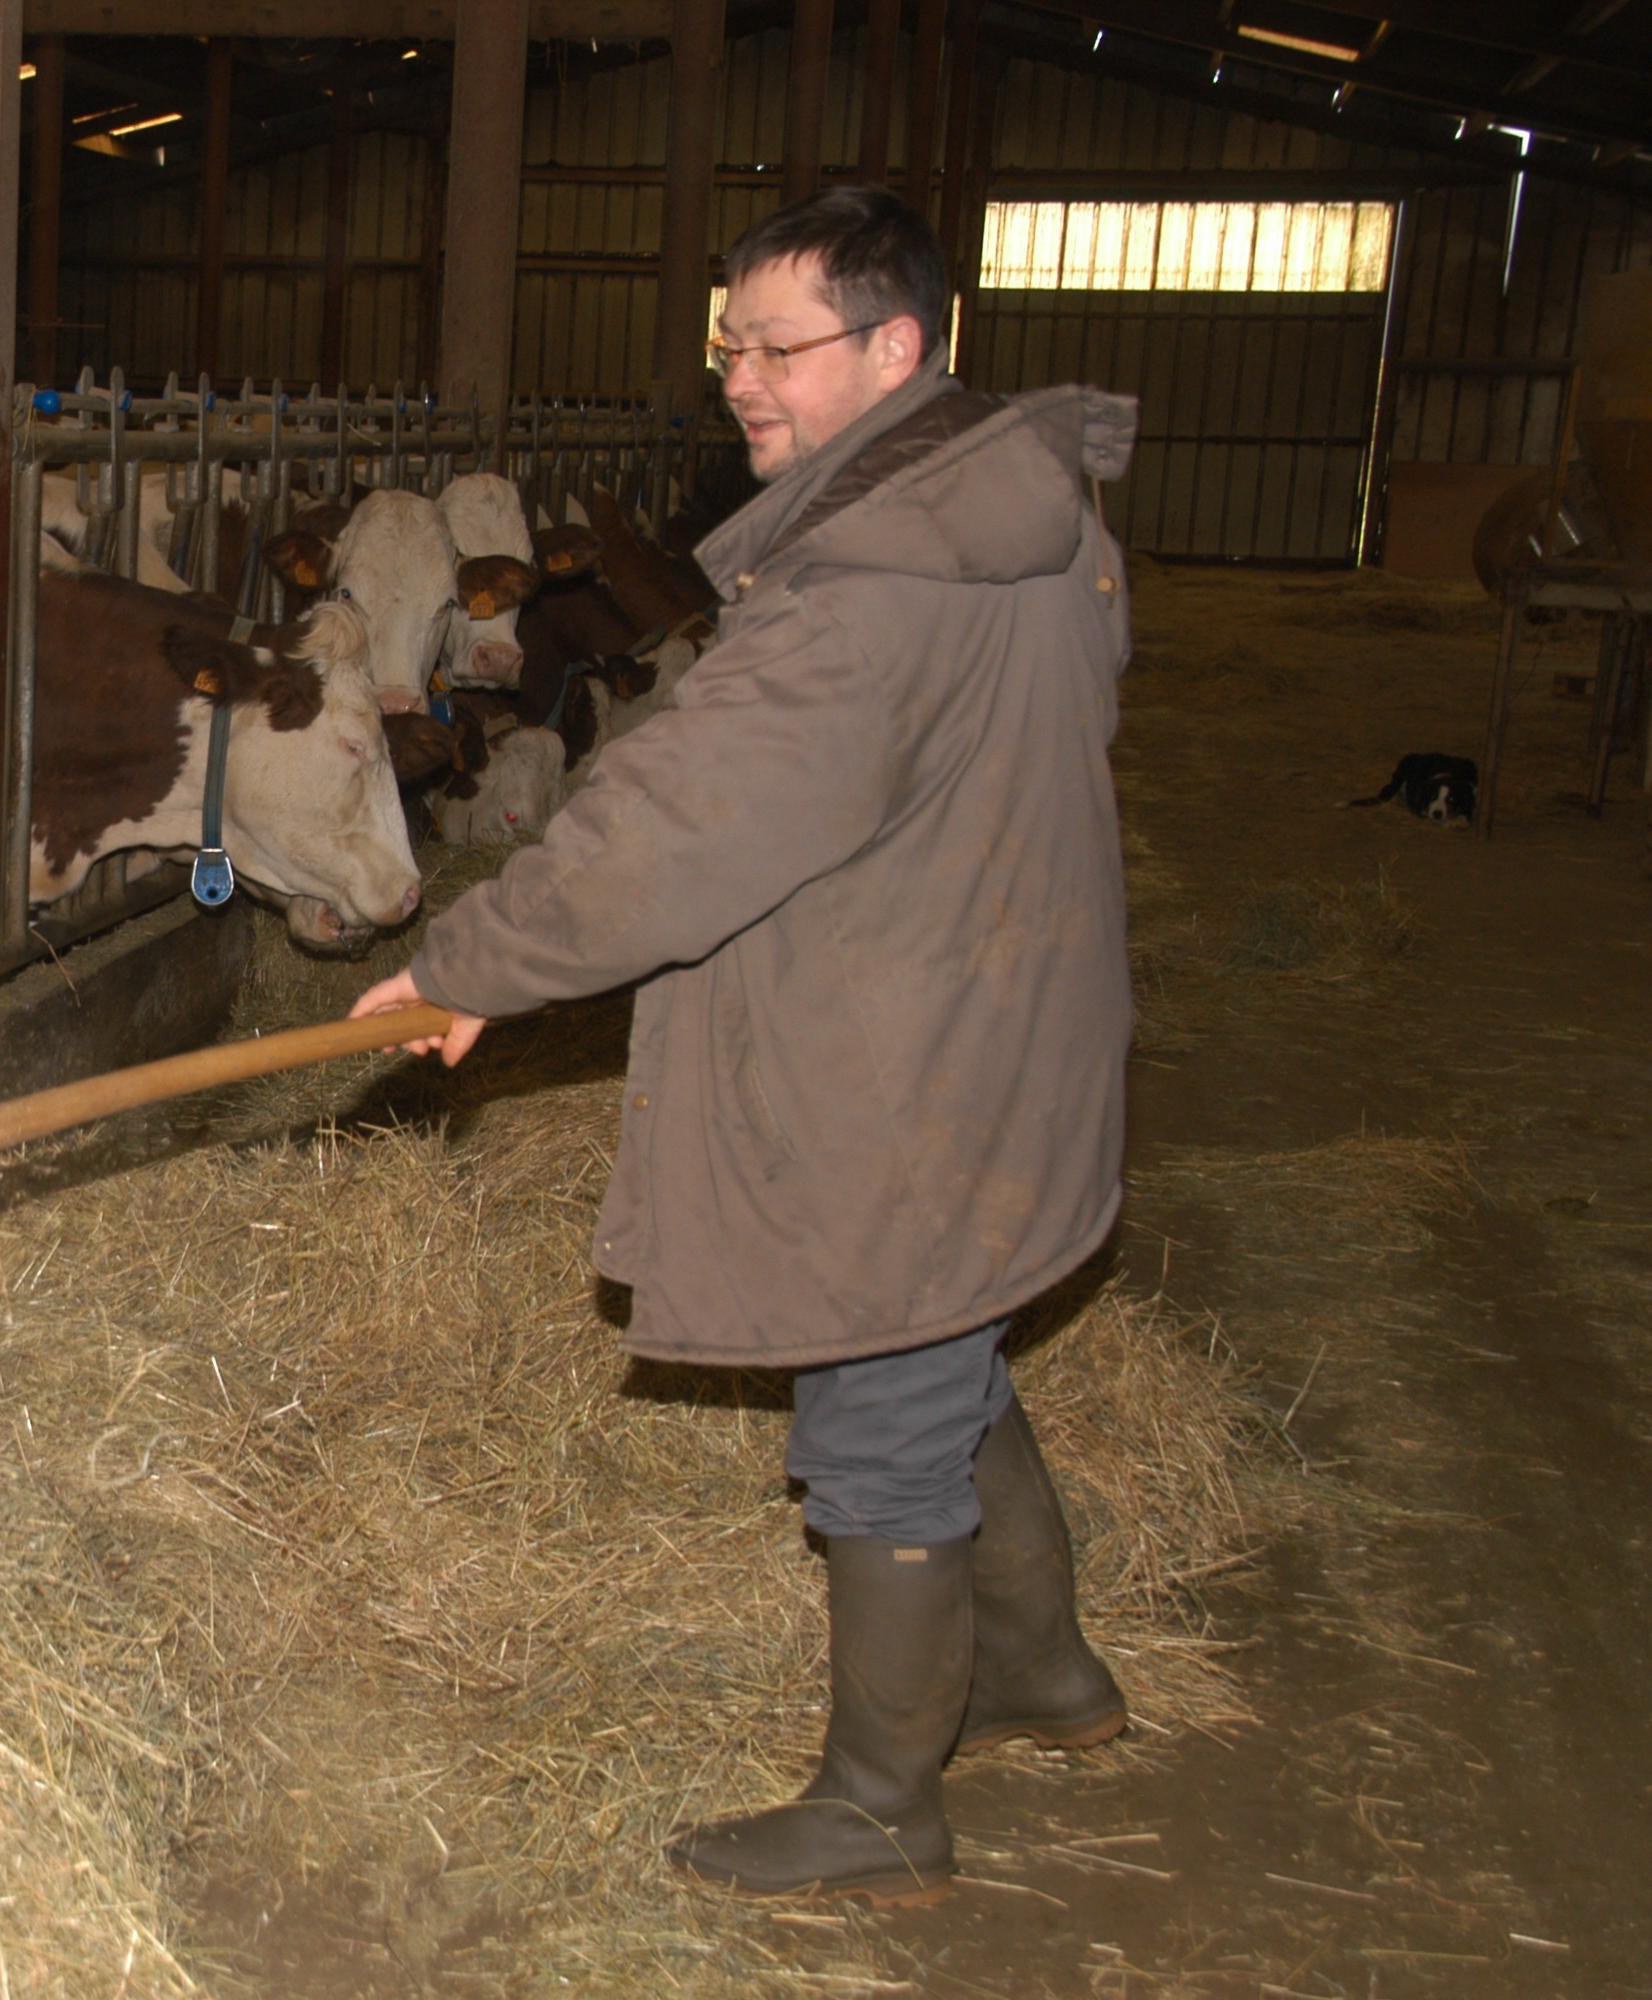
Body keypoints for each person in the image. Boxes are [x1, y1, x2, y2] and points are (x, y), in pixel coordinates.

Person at [350, 186, 1141, 1906]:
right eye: (730, 342)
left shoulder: (877, 576)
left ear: (897, 346)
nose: (740, 379)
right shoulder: (1026, 512)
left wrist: (473, 960)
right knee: (945, 1342)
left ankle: (880, 1804)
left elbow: (685, 828)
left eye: (779, 348)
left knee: (881, 1403)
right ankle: (1042, 1672)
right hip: (1008, 997)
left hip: (910, 1046)